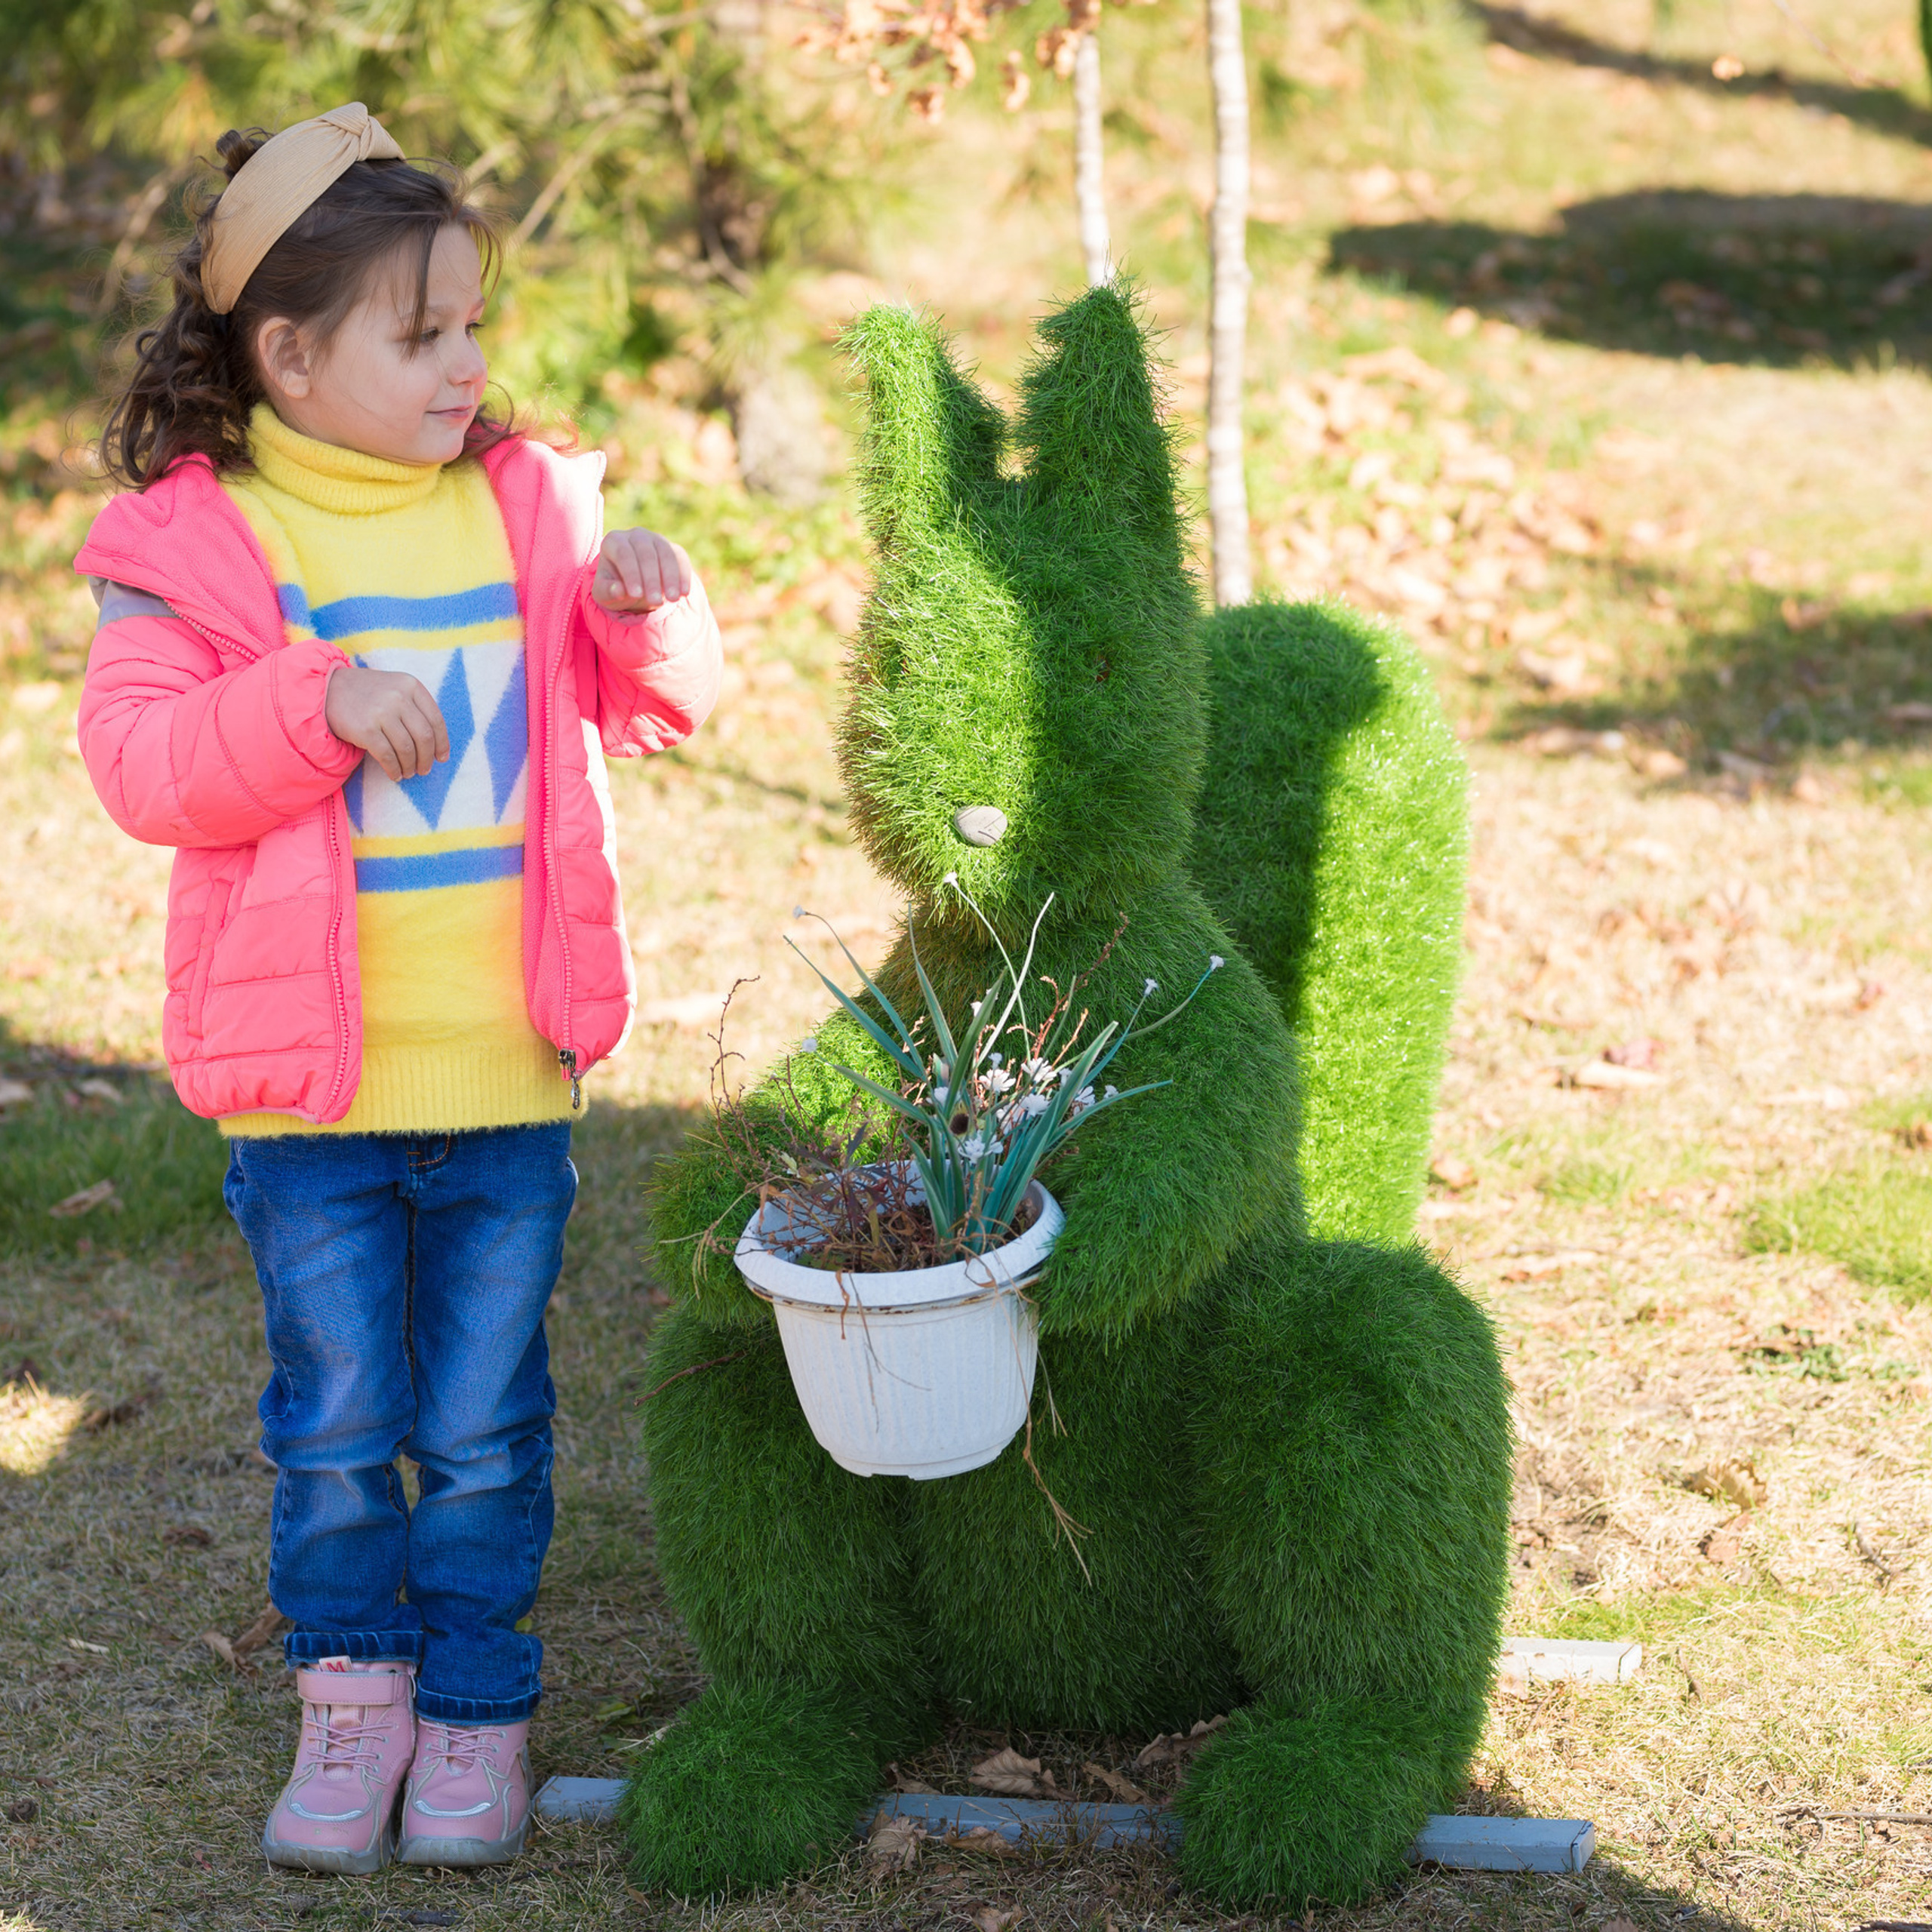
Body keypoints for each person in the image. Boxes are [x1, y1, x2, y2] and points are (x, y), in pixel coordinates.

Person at [72, 103, 721, 1875]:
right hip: (314, 1099)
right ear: (289, 353)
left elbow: (653, 702)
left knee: (491, 1430)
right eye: (421, 332)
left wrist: (650, 614)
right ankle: (351, 1702)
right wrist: (312, 702)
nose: (469, 362)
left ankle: (476, 1717)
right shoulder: (197, 545)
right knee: (342, 1430)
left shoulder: (519, 507)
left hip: (502, 1078)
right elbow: (137, 763)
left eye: (473, 323)